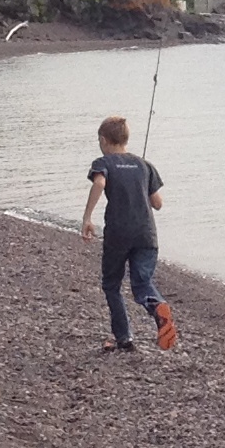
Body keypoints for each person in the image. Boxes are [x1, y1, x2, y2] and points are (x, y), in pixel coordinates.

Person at [78, 114, 173, 353]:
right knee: (142, 282)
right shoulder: (145, 165)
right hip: (146, 234)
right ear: (126, 139)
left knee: (112, 284)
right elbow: (158, 203)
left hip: (119, 234)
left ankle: (124, 336)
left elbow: (99, 184)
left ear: (103, 139)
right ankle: (157, 306)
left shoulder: (103, 163)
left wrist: (87, 217)